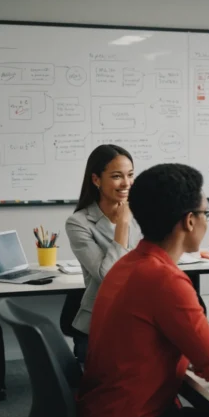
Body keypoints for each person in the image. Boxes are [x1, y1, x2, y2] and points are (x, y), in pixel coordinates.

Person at [77, 164, 209, 417]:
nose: (205, 222)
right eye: (205, 213)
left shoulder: (128, 263)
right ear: (189, 220)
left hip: (104, 406)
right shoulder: (166, 281)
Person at [65, 144, 142, 363]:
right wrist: (123, 224)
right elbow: (108, 277)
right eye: (117, 176)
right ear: (96, 180)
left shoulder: (142, 213)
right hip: (100, 324)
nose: (126, 183)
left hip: (138, 318)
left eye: (130, 175)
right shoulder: (78, 223)